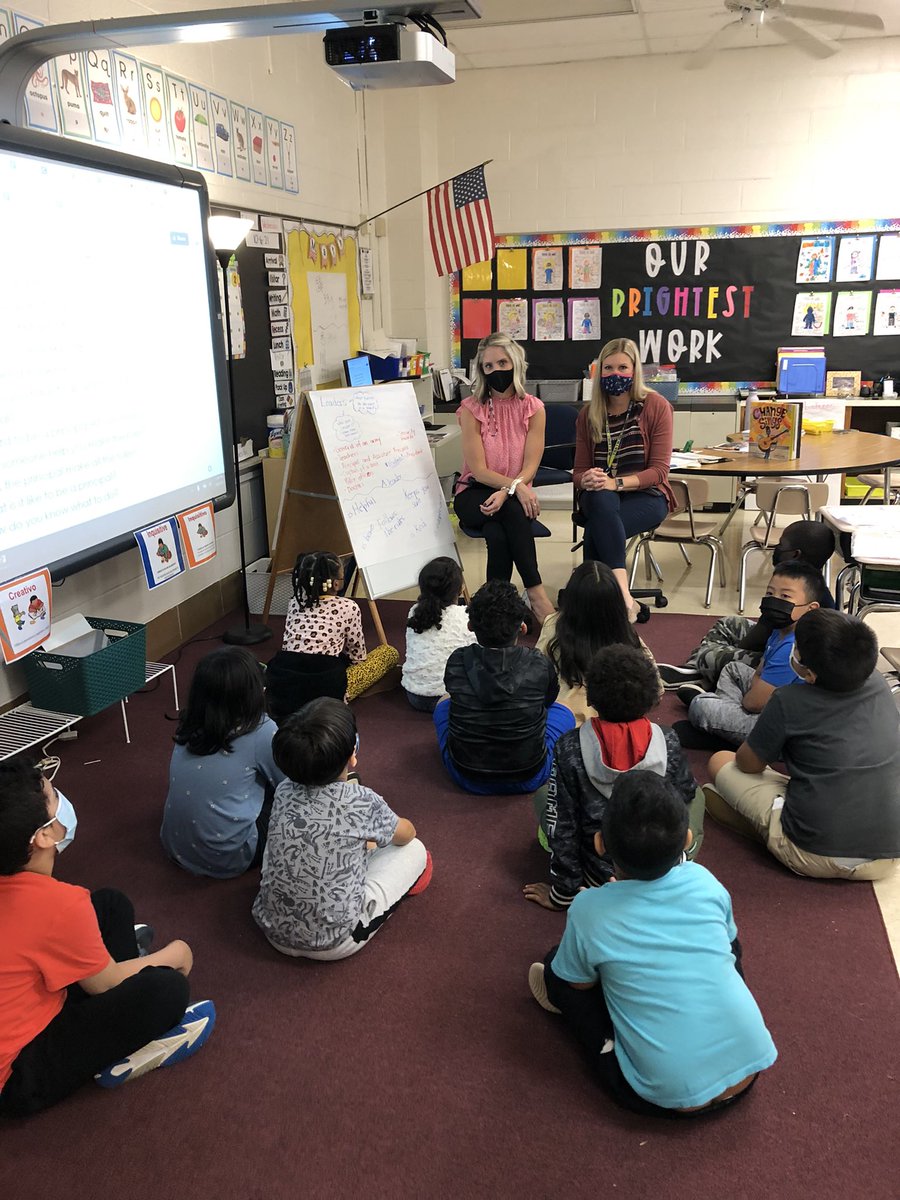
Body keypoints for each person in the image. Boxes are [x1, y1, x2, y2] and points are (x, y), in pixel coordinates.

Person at [528, 772, 777, 1118]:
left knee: (560, 971)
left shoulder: (588, 910)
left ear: (600, 844)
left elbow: (580, 984)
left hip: (662, 1096)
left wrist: (594, 909)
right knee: (726, 946)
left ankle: (608, 1043)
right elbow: (729, 943)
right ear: (687, 839)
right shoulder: (705, 881)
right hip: (749, 1069)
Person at [0, 761, 215, 1118]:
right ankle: (133, 1043)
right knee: (169, 989)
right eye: (54, 797)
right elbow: (106, 983)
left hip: (29, 998)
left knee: (110, 905)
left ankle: (112, 974)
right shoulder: (61, 905)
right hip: (18, 1074)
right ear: (43, 836)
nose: (61, 798)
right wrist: (176, 953)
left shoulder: (45, 897)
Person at [704, 609, 900, 880]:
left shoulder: (788, 700)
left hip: (812, 853)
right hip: (888, 856)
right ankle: (776, 820)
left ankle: (772, 830)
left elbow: (747, 764)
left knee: (720, 761)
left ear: (809, 674)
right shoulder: (880, 684)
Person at [524, 645, 703, 911]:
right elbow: (684, 794)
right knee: (696, 793)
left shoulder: (569, 746)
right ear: (652, 698)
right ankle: (680, 861)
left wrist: (563, 893)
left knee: (548, 799)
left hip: (599, 875)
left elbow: (563, 826)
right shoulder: (667, 740)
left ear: (591, 698)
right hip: (661, 868)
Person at [252, 698, 431, 960]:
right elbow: (407, 834)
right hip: (334, 941)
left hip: (271, 928)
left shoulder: (284, 790)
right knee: (416, 851)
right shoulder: (362, 801)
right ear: (353, 755)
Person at [434, 580, 576, 795]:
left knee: (444, 703)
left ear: (470, 626)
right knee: (565, 710)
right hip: (531, 775)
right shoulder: (538, 662)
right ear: (522, 627)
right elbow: (547, 704)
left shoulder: (457, 660)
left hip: (465, 775)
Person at [658, 521, 837, 690]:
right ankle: (700, 671)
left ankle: (703, 670)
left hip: (781, 660)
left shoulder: (794, 601)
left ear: (795, 554)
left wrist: (727, 654)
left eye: (781, 544)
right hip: (775, 644)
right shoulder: (813, 587)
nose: (775, 548)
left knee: (709, 654)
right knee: (728, 623)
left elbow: (753, 642)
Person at [453, 333, 554, 624]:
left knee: (499, 533)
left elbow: (531, 465)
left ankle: (496, 611)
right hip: (474, 493)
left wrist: (511, 489)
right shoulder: (472, 409)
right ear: (481, 372)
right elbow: (480, 470)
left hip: (512, 494)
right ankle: (536, 594)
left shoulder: (533, 408)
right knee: (511, 510)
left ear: (516, 364)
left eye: (502, 362)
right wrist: (513, 488)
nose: (496, 371)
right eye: (488, 366)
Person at [573, 337, 675, 623]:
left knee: (597, 527)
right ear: (598, 372)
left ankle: (597, 607)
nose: (614, 374)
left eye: (622, 367)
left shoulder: (655, 406)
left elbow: (659, 471)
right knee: (601, 503)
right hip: (600, 497)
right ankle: (621, 600)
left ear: (635, 371)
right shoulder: (587, 415)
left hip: (647, 496)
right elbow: (578, 473)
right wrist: (588, 478)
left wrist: (615, 483)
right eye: (607, 368)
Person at [160, 646, 285, 878]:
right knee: (295, 800)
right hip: (230, 857)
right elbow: (290, 783)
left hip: (174, 844)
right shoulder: (262, 730)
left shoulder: (189, 722)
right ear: (255, 692)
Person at [678, 560, 828, 748]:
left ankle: (726, 729)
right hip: (770, 701)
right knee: (733, 669)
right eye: (770, 593)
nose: (774, 600)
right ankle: (725, 727)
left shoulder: (793, 648)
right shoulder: (781, 628)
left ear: (810, 608)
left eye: (785, 596)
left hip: (781, 729)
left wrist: (747, 700)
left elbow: (753, 704)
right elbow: (759, 671)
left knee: (700, 705)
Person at [269, 552, 400, 719]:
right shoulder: (348, 606)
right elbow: (357, 656)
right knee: (388, 653)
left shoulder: (294, 602)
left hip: (284, 682)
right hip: (327, 688)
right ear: (337, 584)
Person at [536, 560, 662, 726]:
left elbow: (534, 675)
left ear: (571, 599)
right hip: (616, 722)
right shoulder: (625, 633)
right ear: (616, 603)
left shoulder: (553, 625)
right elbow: (656, 688)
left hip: (563, 722)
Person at [402, 556, 475, 713]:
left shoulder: (414, 611)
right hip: (453, 698)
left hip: (415, 696)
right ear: (461, 588)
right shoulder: (467, 615)